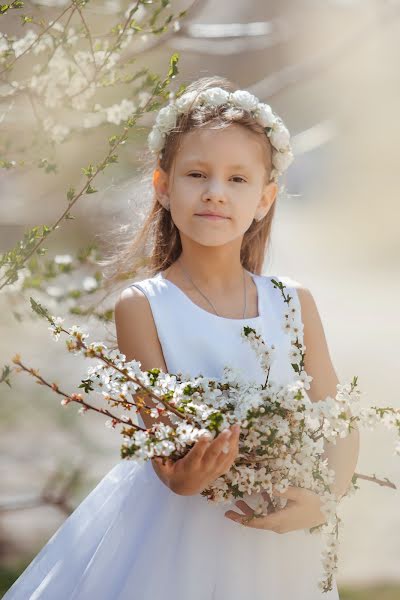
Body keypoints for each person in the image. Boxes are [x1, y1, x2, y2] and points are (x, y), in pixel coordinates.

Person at [4, 75, 353, 599]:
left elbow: (337, 419)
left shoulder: (292, 302)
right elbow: (168, 458)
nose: (215, 191)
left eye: (238, 179)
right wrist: (189, 475)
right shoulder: (144, 308)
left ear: (264, 198)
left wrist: (325, 496)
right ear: (163, 188)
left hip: (276, 537)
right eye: (197, 174)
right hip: (176, 541)